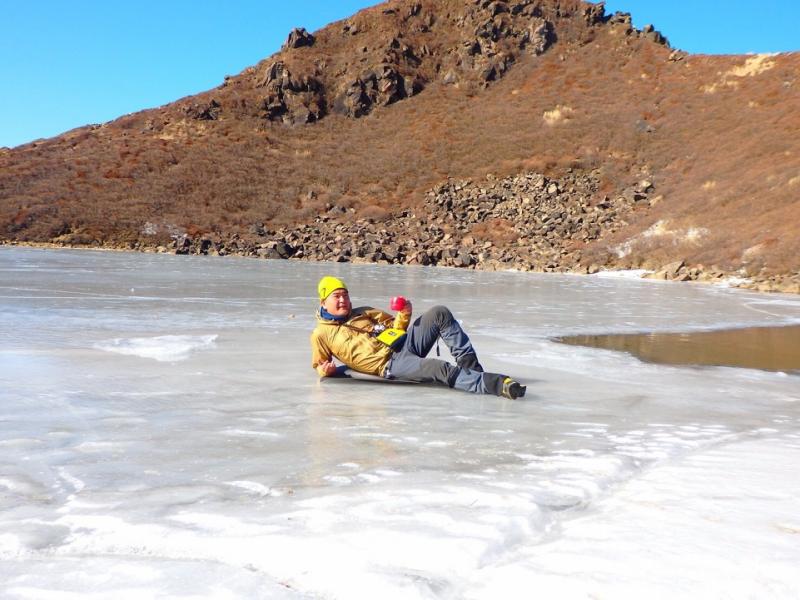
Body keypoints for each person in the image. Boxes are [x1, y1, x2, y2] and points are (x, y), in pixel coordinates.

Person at [310, 276, 526, 399]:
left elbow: (396, 327)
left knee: (439, 312)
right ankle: (498, 385)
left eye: (345, 296)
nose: (343, 301)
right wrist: (325, 370)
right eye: (336, 297)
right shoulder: (321, 333)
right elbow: (319, 364)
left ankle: (472, 368)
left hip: (404, 344)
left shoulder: (364, 311)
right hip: (389, 364)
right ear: (323, 302)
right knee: (438, 368)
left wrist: (404, 313)